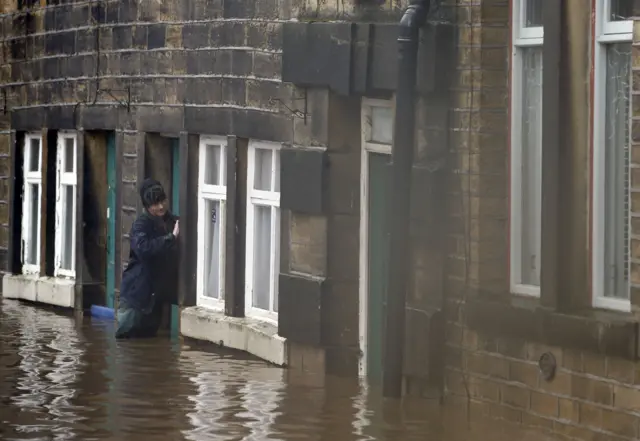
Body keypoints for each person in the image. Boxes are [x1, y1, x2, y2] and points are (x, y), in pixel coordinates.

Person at [115, 178, 179, 339]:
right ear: (147, 206)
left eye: (162, 201)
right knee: (127, 342)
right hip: (135, 298)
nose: (161, 206)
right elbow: (143, 248)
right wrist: (171, 238)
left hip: (154, 299)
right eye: (155, 203)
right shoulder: (141, 225)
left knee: (148, 343)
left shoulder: (172, 221)